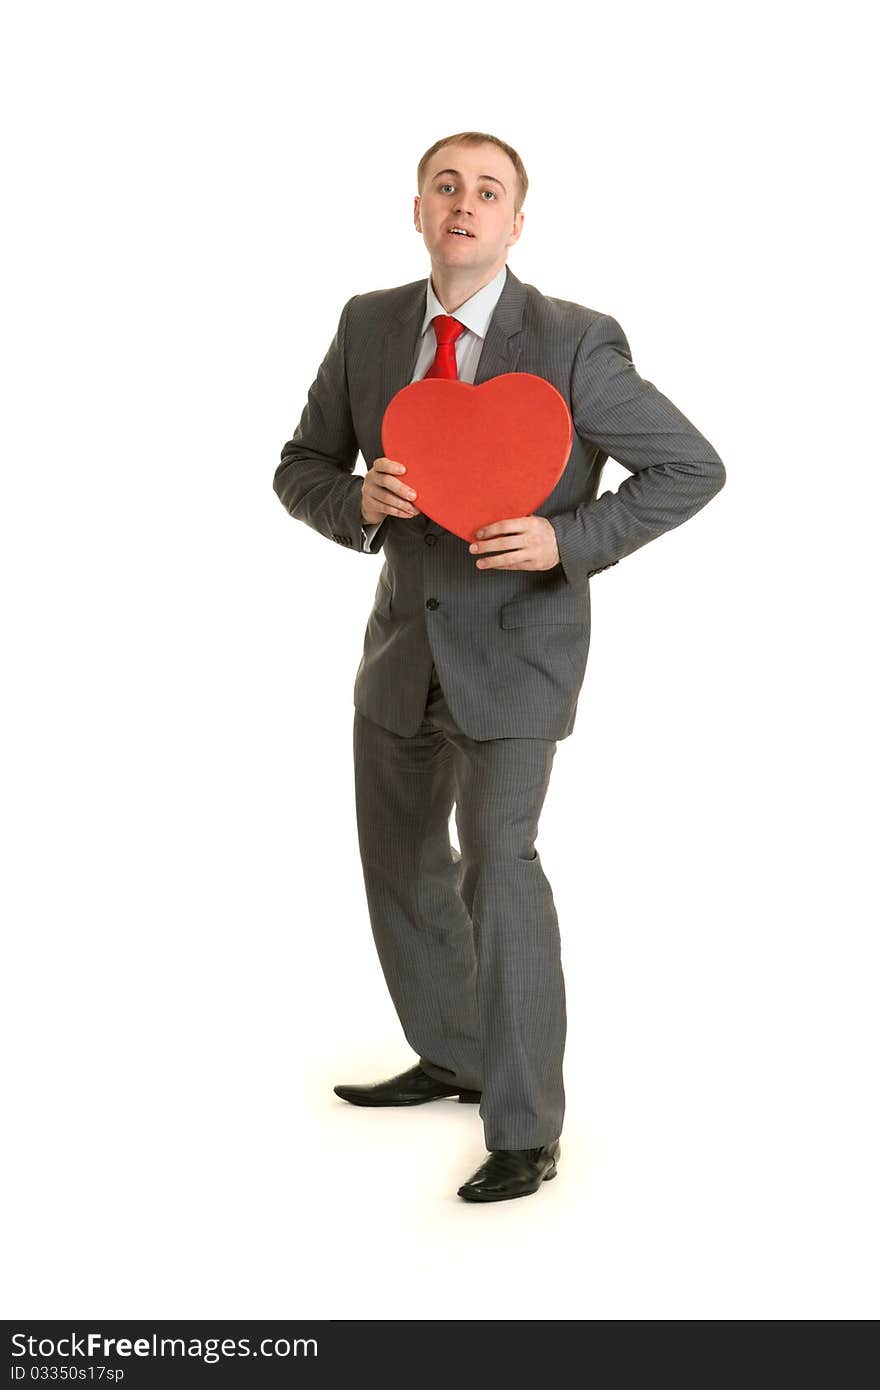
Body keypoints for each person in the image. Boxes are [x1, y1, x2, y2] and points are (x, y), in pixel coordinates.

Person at [274, 131, 725, 1203]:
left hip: (517, 656)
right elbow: (298, 468)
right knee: (398, 860)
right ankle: (455, 1052)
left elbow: (690, 465)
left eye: (487, 191)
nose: (463, 205)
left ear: (516, 222)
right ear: (418, 210)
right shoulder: (368, 325)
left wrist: (569, 539)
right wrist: (358, 504)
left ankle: (524, 1126)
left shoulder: (569, 343)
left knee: (499, 866)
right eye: (445, 187)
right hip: (398, 655)